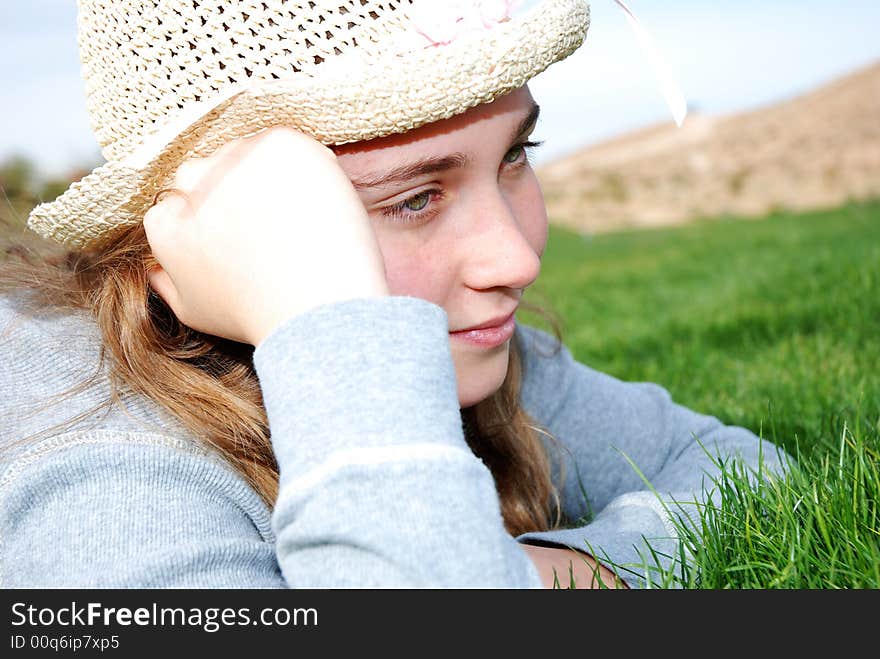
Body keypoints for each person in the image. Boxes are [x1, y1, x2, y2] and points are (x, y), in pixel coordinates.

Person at [0, 0, 785, 589]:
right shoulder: (107, 474)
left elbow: (744, 473)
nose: (515, 257)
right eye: (414, 199)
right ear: (211, 231)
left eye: (517, 154)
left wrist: (545, 570)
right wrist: (332, 328)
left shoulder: (480, 359)